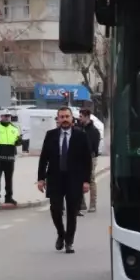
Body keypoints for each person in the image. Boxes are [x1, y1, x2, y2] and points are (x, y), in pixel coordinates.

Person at [37, 107, 92, 253]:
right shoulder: (51, 135)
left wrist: (87, 181)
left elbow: (87, 160)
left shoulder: (80, 136)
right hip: (55, 178)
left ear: (72, 118)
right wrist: (41, 179)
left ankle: (69, 242)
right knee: (55, 209)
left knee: (72, 212)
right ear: (58, 119)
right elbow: (44, 158)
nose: (65, 119)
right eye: (61, 117)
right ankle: (61, 234)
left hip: (74, 179)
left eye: (67, 116)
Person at [0, 111, 21, 205]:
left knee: (9, 179)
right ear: (1, 117)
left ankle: (9, 197)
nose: (7, 118)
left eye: (9, 116)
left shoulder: (14, 128)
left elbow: (18, 140)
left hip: (10, 157)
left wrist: (19, 141)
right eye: (5, 116)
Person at [79, 108, 102, 212]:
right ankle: (82, 203)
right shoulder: (79, 128)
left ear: (87, 117)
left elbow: (94, 148)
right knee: (78, 179)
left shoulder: (94, 131)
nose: (79, 118)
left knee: (90, 179)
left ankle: (93, 204)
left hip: (91, 158)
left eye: (81, 116)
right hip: (79, 157)